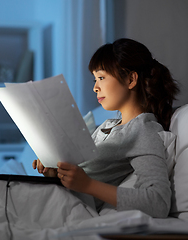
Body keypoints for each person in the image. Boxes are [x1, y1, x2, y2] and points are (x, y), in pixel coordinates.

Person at [33, 38, 179, 218]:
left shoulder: (143, 130)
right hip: (59, 201)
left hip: (73, 210)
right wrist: (54, 172)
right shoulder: (107, 126)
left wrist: (88, 186)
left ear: (131, 79)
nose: (95, 87)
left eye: (101, 78)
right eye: (95, 79)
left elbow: (158, 202)